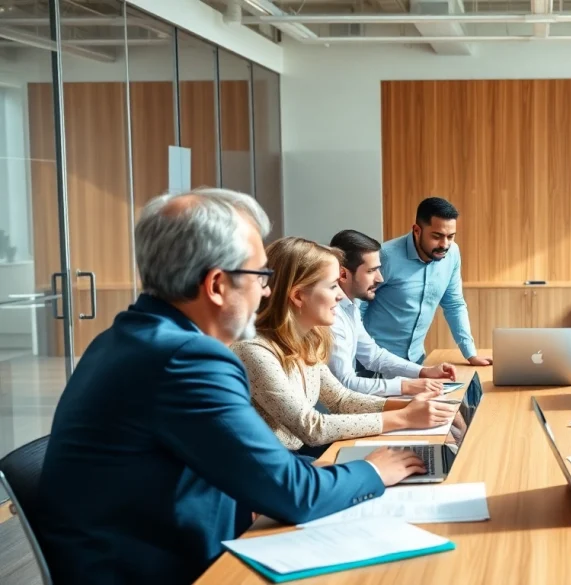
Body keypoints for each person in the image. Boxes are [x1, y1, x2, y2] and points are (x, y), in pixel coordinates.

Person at [35, 189, 426, 585]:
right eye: (260, 276)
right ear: (217, 285)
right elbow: (294, 494)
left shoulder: (125, 337)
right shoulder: (189, 359)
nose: (267, 291)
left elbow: (249, 467)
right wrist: (373, 471)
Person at [232, 237, 458, 458]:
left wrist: (409, 407)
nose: (340, 295)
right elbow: (312, 428)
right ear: (298, 296)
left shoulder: (307, 340)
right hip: (267, 465)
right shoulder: (255, 352)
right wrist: (405, 417)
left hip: (293, 455)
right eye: (332, 286)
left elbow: (340, 399)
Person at [361, 197, 491, 366]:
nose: (444, 244)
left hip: (416, 361)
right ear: (417, 230)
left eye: (450, 236)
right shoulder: (385, 256)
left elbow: (454, 304)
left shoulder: (452, 254)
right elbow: (358, 306)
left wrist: (470, 354)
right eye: (437, 236)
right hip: (375, 362)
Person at [327, 229, 456, 397]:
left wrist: (423, 371)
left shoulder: (350, 307)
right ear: (343, 274)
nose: (380, 278)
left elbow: (373, 356)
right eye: (371, 271)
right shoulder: (332, 317)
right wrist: (406, 386)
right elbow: (345, 383)